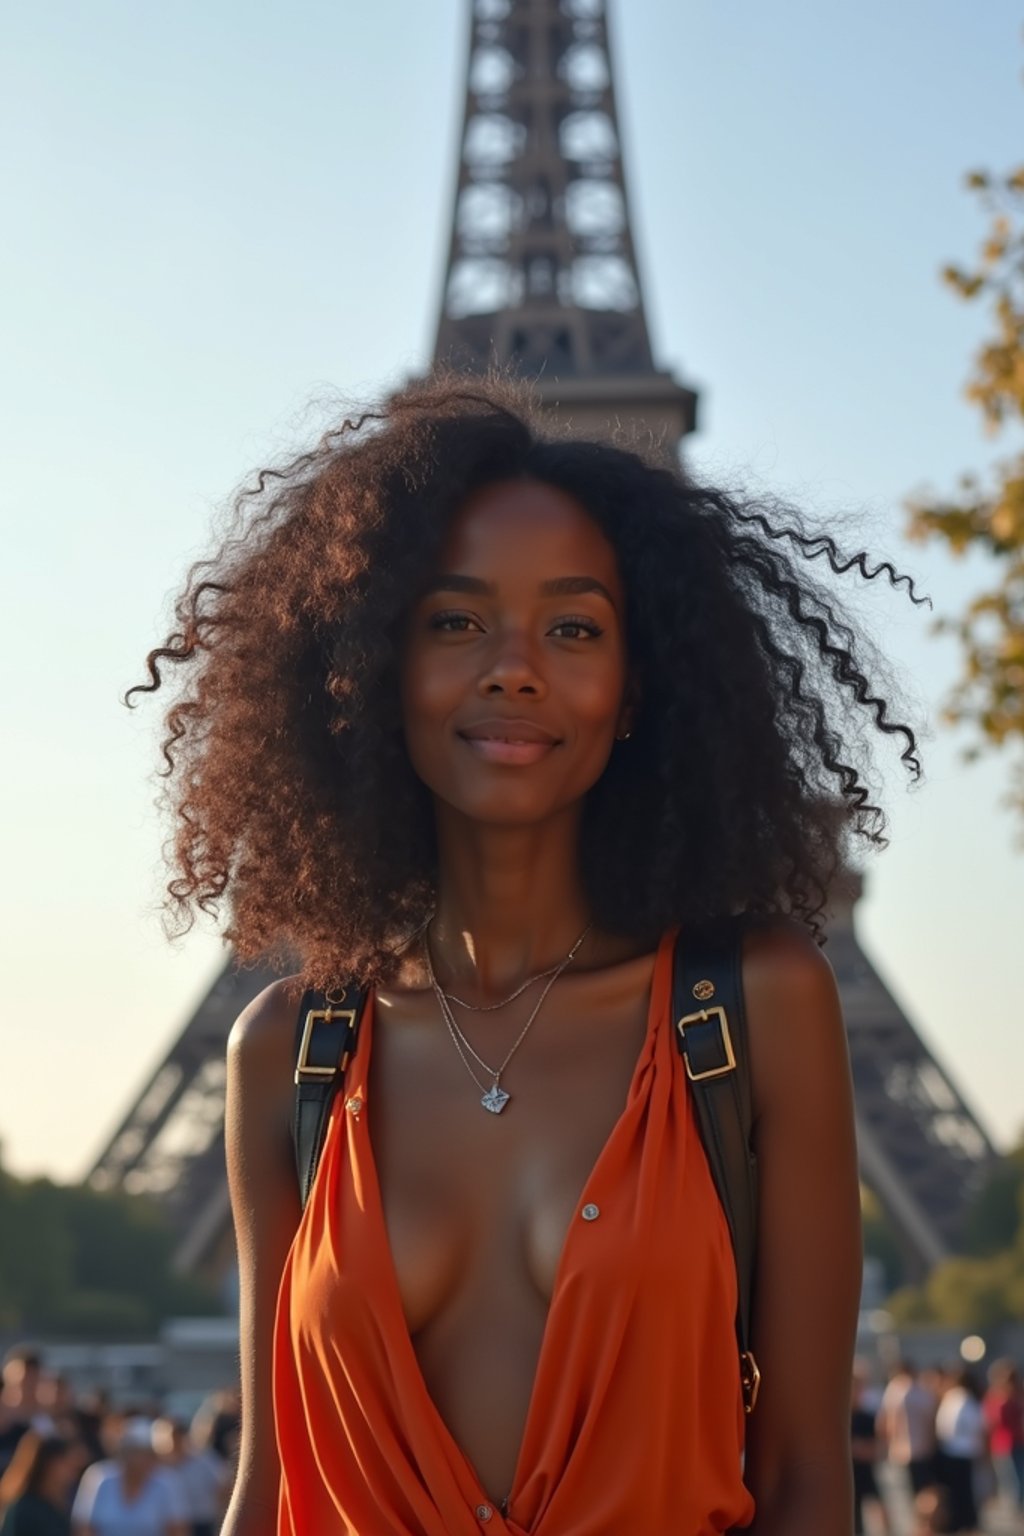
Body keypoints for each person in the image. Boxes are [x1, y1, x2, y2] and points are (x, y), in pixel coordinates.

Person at [132, 374, 923, 1534]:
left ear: (639, 683)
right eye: (454, 622)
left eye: (573, 627)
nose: (514, 667)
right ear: (372, 667)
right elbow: (273, 1486)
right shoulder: (291, 1052)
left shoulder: (752, 1011)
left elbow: (808, 1478)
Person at [70, 1419, 187, 1536]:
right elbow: (83, 1527)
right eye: (139, 1453)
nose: (147, 1460)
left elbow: (178, 1530)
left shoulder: (168, 1482)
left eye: (149, 1454)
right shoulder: (98, 1476)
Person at [934, 1368, 987, 1534]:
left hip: (954, 1451)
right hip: (963, 1452)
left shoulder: (954, 1397)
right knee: (964, 1493)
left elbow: (945, 1426)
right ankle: (965, 1523)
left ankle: (960, 1523)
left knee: (960, 1493)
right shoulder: (966, 1399)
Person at [877, 1359, 938, 1498]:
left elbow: (886, 1422)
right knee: (923, 1492)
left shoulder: (895, 1390)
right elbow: (932, 1422)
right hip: (924, 1450)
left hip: (900, 1452)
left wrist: (885, 1445)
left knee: (904, 1497)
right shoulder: (924, 1392)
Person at [0, 1434, 79, 1536]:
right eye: (66, 1464)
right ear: (48, 1466)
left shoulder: (63, 1504)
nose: (72, 1472)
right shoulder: (24, 1508)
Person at [851, 1362, 890, 1536]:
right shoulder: (839, 1418)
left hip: (865, 1472)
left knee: (878, 1507)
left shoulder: (867, 1417)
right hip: (849, 1475)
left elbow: (878, 1449)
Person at [983, 1358, 1024, 1513]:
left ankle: (1018, 1506)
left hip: (1018, 1441)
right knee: (1009, 1478)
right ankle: (1014, 1506)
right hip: (1003, 1444)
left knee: (1019, 1477)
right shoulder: (995, 1397)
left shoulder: (1018, 1395)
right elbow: (992, 1421)